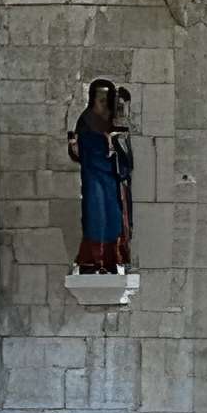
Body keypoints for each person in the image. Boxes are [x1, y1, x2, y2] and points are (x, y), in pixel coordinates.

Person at [71, 78, 133, 272]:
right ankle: (93, 260)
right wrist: (101, 145)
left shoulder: (115, 122)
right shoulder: (86, 121)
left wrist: (116, 147)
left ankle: (111, 259)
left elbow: (125, 155)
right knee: (96, 215)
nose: (102, 101)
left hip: (111, 179)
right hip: (94, 176)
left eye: (106, 97)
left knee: (114, 217)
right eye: (99, 97)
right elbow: (81, 150)